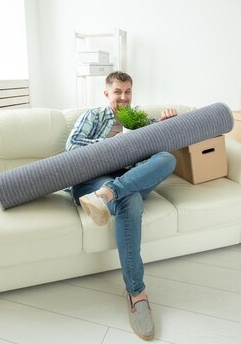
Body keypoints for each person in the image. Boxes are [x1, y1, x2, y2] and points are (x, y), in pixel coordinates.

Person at [65, 71, 177, 341]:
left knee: (167, 159)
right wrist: (110, 144)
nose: (123, 97)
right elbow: (71, 148)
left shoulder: (138, 120)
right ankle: (137, 294)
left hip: (122, 181)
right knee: (132, 199)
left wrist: (164, 125)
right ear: (107, 94)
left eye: (127, 92)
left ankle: (107, 194)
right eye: (117, 92)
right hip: (91, 181)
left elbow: (160, 149)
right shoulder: (93, 116)